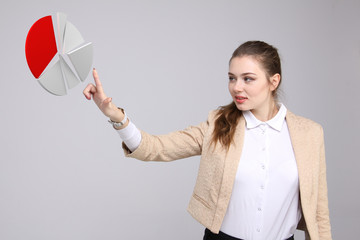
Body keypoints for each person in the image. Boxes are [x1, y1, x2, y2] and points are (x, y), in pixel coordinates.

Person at [83, 41, 332, 240]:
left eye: (248, 78)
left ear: (273, 81)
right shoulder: (218, 124)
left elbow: (318, 212)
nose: (236, 87)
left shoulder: (310, 134)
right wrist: (116, 117)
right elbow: (155, 148)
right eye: (232, 78)